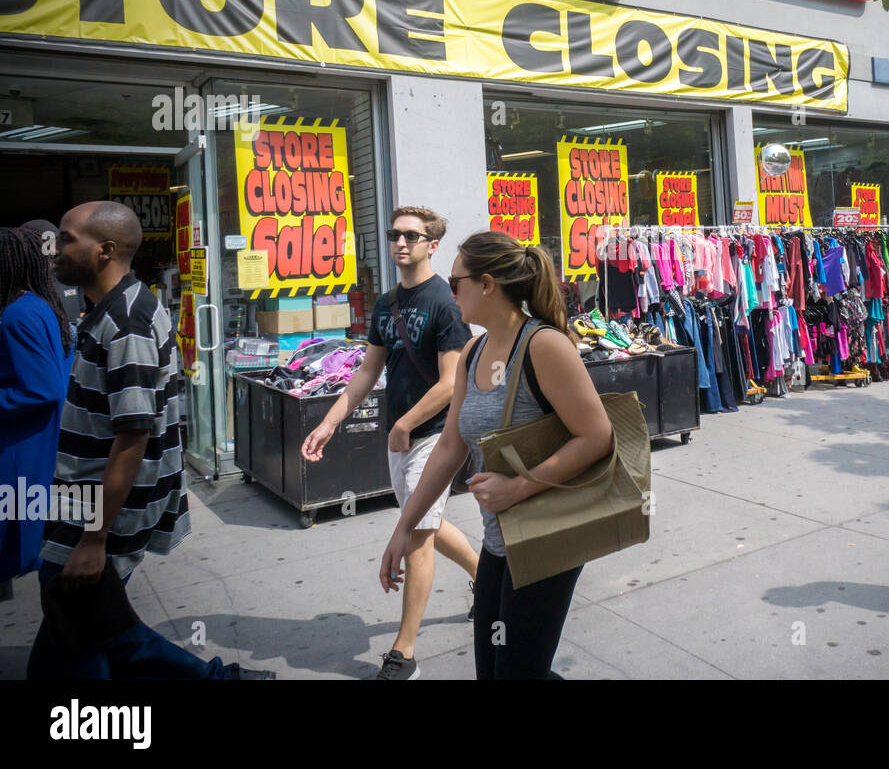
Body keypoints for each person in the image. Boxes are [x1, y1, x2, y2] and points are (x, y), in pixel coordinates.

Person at [27, 201, 272, 678]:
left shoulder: (127, 323)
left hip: (98, 511)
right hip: (87, 503)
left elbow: (132, 437)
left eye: (66, 237)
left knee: (82, 626)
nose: (53, 248)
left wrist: (94, 538)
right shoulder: (114, 309)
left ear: (106, 251)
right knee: (91, 631)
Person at [378, 230, 613, 680]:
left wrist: (520, 486)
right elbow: (450, 446)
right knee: (495, 668)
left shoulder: (545, 346)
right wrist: (404, 528)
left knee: (516, 672)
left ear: (487, 285)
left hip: (549, 539)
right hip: (498, 540)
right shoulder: (473, 351)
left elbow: (597, 435)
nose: (450, 292)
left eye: (456, 281)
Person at [302, 206, 477, 680]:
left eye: (412, 237)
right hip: (399, 438)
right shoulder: (386, 304)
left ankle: (405, 653)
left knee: (417, 534)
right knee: (428, 524)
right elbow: (366, 371)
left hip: (433, 437)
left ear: (432, 245)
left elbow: (450, 383)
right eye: (394, 234)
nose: (400, 243)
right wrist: (330, 423)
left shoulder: (446, 302)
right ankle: (488, 577)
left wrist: (406, 424)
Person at [1, 228, 74, 600]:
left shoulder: (17, 314)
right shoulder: (40, 306)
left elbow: (43, 388)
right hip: (36, 445)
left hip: (19, 448)